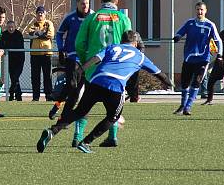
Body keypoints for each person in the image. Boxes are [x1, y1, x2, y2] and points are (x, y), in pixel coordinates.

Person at [38, 31, 172, 153]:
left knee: (79, 112)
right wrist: (169, 83)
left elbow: (95, 59)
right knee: (113, 117)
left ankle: (52, 131)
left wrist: (79, 71)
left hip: (96, 81)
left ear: (122, 40)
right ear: (135, 43)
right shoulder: (140, 56)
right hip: (115, 86)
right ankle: (86, 142)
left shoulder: (112, 47)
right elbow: (159, 74)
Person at [73, 0, 132, 146]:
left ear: (101, 2)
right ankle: (112, 136)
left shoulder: (92, 18)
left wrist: (86, 61)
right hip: (115, 70)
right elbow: (129, 44)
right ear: (116, 1)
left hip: (94, 69)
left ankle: (77, 136)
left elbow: (79, 43)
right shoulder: (123, 19)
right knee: (113, 106)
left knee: (85, 105)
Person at [172, 2, 222, 116]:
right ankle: (182, 105)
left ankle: (188, 107)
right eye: (198, 9)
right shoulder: (190, 23)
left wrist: (220, 54)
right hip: (189, 58)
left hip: (203, 59)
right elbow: (180, 32)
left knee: (197, 82)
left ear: (206, 11)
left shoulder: (210, 25)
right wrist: (177, 37)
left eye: (202, 10)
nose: (200, 12)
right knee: (184, 84)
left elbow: (218, 40)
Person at [49, 0, 91, 119]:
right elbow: (59, 33)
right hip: (72, 56)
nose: (85, 6)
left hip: (88, 59)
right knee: (72, 85)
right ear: (77, 3)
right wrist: (61, 49)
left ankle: (58, 105)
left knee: (77, 89)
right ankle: (64, 115)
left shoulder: (93, 17)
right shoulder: (70, 17)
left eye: (87, 3)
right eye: (83, 3)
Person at [27, 6, 55, 101]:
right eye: (38, 12)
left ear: (45, 14)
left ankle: (49, 95)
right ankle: (35, 97)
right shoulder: (33, 23)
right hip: (35, 54)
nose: (40, 14)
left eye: (42, 12)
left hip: (46, 54)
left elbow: (50, 35)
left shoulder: (48, 23)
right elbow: (30, 35)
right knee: (35, 77)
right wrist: (42, 33)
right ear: (36, 14)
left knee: (47, 76)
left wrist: (37, 33)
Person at [0, 20, 25, 101]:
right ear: (7, 27)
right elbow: (0, 45)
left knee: (15, 77)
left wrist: (8, 47)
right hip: (10, 60)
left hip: (19, 59)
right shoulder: (4, 34)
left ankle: (12, 92)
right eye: (9, 27)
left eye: (12, 27)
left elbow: (18, 46)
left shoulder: (18, 34)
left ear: (15, 27)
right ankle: (17, 95)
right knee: (13, 78)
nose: (11, 29)